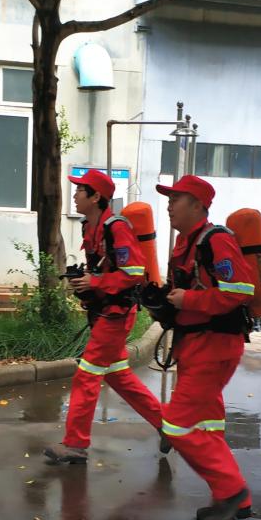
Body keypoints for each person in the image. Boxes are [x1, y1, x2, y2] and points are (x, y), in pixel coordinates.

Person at [44, 169, 168, 464]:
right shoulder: (90, 226)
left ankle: (75, 445)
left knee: (86, 375)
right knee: (118, 375)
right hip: (106, 312)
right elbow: (103, 268)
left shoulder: (117, 228)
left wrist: (96, 282)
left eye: (79, 190)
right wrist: (87, 283)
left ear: (96, 196)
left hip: (117, 314)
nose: (75, 195)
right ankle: (168, 426)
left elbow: (133, 272)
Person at [155, 175, 256, 520]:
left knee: (176, 426)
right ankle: (237, 501)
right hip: (194, 344)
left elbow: (240, 290)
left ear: (198, 205)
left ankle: (231, 491)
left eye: (176, 199)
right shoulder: (185, 243)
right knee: (208, 424)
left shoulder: (216, 240)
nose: (169, 205)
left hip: (214, 346)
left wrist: (189, 300)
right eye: (169, 199)